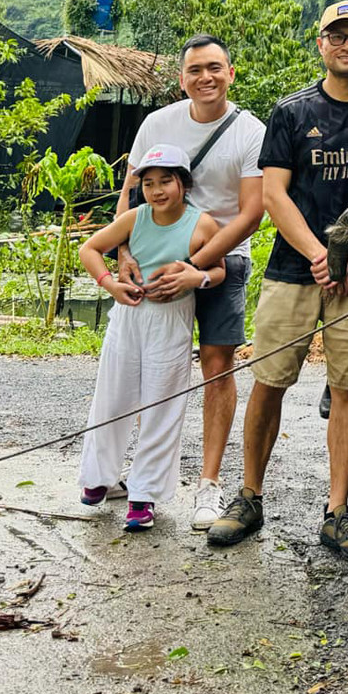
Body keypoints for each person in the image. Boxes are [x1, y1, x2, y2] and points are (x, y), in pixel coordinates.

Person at [208, 1, 348, 559]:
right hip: (293, 269)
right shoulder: (291, 112)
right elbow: (274, 194)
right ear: (320, 43)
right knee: (269, 381)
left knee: (347, 388)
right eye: (336, 36)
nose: (347, 44)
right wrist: (321, 254)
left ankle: (337, 512)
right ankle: (249, 497)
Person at [115, 35, 266, 531]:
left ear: (231, 73)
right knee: (148, 367)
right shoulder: (158, 124)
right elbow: (131, 195)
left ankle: (208, 483)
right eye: (195, 70)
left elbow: (251, 214)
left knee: (218, 366)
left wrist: (194, 266)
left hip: (223, 260)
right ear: (182, 79)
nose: (206, 77)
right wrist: (123, 253)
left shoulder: (250, 132)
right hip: (156, 264)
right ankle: (142, 476)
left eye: (215, 68)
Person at [78, 145, 228, 531]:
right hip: (128, 316)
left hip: (171, 319)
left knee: (162, 404)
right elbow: (90, 249)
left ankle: (143, 495)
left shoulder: (201, 225)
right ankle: (98, 477)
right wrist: (109, 284)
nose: (157, 191)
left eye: (165, 181)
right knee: (112, 396)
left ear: (183, 183)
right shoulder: (135, 218)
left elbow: (219, 270)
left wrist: (196, 278)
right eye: (148, 184)